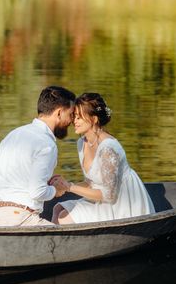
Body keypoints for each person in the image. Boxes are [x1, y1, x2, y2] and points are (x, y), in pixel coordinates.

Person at [51, 93, 155, 224]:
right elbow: (90, 183)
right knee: (58, 209)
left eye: (79, 117)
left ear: (94, 119)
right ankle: (52, 244)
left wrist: (70, 187)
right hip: (101, 197)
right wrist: (62, 187)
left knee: (64, 217)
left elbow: (109, 195)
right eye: (74, 116)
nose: (74, 121)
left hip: (120, 203)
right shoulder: (82, 143)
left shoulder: (108, 148)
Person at [0, 86, 75, 226]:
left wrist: (48, 181)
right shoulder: (47, 145)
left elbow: (19, 176)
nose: (72, 120)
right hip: (16, 219)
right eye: (71, 114)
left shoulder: (13, 134)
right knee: (68, 242)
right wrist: (57, 190)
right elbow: (37, 192)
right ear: (59, 113)